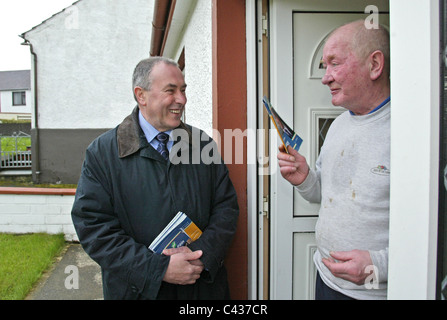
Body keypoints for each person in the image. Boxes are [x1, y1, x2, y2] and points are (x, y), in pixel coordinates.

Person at [71, 57, 239, 300]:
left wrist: (198, 256)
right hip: (136, 292)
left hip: (201, 290)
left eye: (183, 90)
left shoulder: (202, 144)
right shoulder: (102, 153)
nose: (181, 100)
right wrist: (157, 269)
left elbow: (226, 209)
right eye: (170, 91)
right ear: (141, 95)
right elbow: (93, 226)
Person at [277, 20, 390, 300]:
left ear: (375, 65)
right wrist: (305, 179)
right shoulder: (339, 125)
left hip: (374, 293)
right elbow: (322, 194)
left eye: (334, 64)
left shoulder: (414, 134)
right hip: (326, 279)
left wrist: (381, 265)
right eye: (324, 67)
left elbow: (436, 232)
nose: (326, 78)